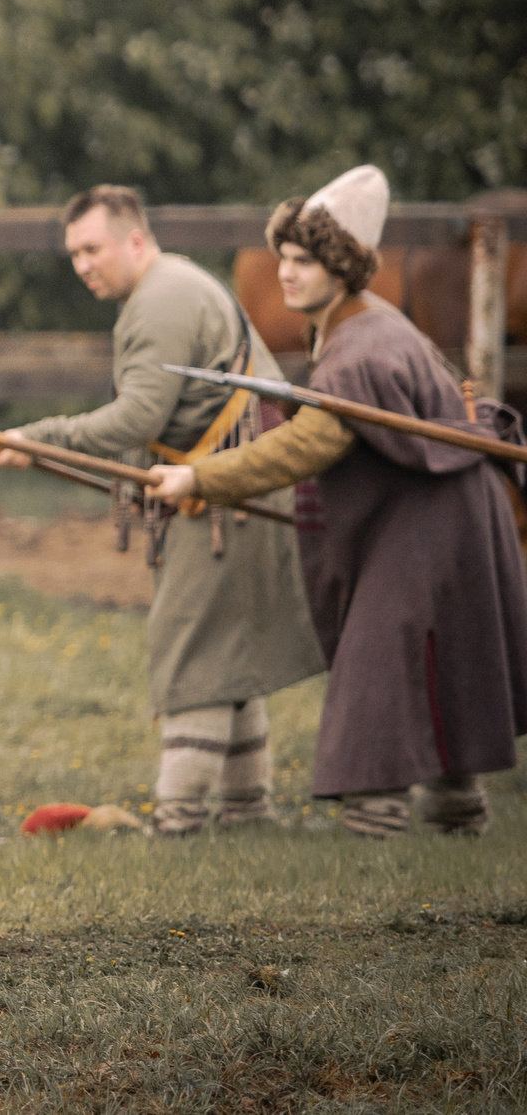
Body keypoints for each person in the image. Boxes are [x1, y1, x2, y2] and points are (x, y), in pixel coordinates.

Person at [156, 166, 527, 837]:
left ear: (343, 267)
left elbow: (310, 444)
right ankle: (455, 814)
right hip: (434, 512)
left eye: (304, 261)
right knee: (429, 658)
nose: (286, 273)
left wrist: (200, 478)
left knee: (378, 662)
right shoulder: (358, 327)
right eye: (284, 257)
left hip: (437, 521)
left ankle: (376, 818)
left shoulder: (364, 346)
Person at [0, 186, 324, 835]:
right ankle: (247, 809)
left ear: (135, 240)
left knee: (191, 653)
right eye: (74, 254)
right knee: (227, 653)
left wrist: (39, 438)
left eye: (93, 249)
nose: (82, 265)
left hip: (224, 499)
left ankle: (180, 815)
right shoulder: (170, 285)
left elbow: (137, 418)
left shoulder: (161, 299)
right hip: (228, 492)